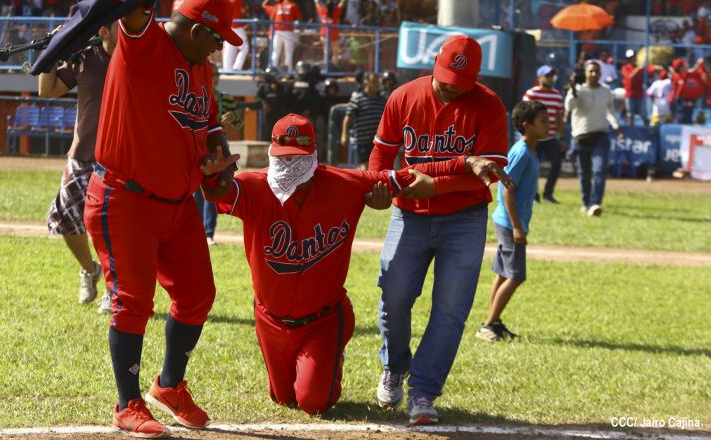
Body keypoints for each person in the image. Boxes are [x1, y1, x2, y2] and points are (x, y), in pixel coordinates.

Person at [206, 113, 510, 415]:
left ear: (313, 155)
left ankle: (329, 359)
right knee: (283, 399)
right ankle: (312, 368)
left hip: (322, 320)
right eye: (283, 158)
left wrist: (463, 162)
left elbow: (410, 172)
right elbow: (218, 192)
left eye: (297, 159)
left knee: (313, 403)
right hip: (269, 320)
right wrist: (210, 174)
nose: (289, 167)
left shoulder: (345, 183)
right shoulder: (254, 187)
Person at [83, 0, 241, 437]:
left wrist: (219, 163)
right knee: (133, 302)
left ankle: (168, 386)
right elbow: (131, 5)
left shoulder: (201, 68)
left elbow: (209, 126)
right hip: (125, 197)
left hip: (178, 202)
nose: (220, 47)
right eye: (217, 38)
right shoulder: (144, 41)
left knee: (198, 295)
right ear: (196, 30)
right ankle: (127, 404)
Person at [370, 35, 509, 425]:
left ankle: (424, 392)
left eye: (460, 82)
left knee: (450, 309)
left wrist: (439, 184)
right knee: (393, 296)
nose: (450, 86)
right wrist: (378, 184)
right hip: (409, 215)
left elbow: (492, 169)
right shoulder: (404, 96)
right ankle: (394, 366)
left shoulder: (489, 105)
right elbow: (383, 150)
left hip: (464, 219)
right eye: (446, 76)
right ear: (434, 63)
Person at [39, 21, 117, 313]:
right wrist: (52, 50)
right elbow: (46, 90)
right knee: (67, 222)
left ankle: (113, 288)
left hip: (117, 159)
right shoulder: (85, 57)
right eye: (119, 26)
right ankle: (89, 269)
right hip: (82, 155)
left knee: (110, 229)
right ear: (104, 32)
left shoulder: (133, 58)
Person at [476, 101, 549, 342]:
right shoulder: (521, 152)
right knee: (515, 275)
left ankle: (493, 322)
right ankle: (487, 326)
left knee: (503, 273)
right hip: (509, 222)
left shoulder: (531, 150)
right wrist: (517, 227)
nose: (549, 125)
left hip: (509, 221)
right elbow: (507, 189)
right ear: (527, 126)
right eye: (543, 121)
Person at [565, 60, 623, 217]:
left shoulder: (605, 90)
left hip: (600, 135)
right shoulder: (578, 89)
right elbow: (569, 107)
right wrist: (573, 90)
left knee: (599, 170)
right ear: (585, 73)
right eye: (591, 71)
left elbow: (609, 110)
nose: (594, 74)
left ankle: (595, 203)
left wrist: (616, 126)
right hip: (580, 137)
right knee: (584, 173)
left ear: (600, 74)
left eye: (597, 71)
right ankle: (586, 202)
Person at [194, 63, 243, 246]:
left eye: (217, 74)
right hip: (198, 149)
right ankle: (197, 230)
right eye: (212, 74)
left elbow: (239, 123)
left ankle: (208, 233)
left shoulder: (224, 99)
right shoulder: (195, 94)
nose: (214, 77)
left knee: (212, 191)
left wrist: (232, 118)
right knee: (196, 193)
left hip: (217, 150)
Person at [522, 65, 564, 203]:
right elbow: (524, 115)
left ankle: (548, 193)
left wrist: (561, 137)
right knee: (533, 167)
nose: (551, 78)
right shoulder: (532, 94)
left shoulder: (557, 95)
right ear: (540, 77)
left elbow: (559, 118)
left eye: (553, 75)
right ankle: (534, 196)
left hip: (551, 138)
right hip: (535, 139)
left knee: (557, 164)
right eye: (548, 75)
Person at [341, 72, 387, 170]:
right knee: (365, 166)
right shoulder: (357, 98)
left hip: (379, 140)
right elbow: (348, 118)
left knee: (378, 166)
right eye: (374, 82)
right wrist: (344, 134)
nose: (377, 84)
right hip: (364, 140)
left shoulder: (383, 100)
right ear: (366, 83)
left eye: (378, 82)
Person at [222, 0, 254, 72]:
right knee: (244, 47)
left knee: (229, 49)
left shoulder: (224, 1)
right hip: (237, 27)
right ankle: (237, 68)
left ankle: (227, 69)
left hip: (227, 28)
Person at [262, 0, 301, 75]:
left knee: (276, 52)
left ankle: (272, 70)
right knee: (288, 53)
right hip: (288, 31)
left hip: (277, 31)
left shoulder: (277, 5)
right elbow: (298, 19)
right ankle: (289, 71)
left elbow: (271, 17)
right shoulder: (293, 5)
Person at [313, 0, 349, 67]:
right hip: (334, 36)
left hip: (324, 35)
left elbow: (316, 1)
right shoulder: (336, 12)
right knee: (335, 53)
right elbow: (342, 2)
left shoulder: (322, 11)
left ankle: (326, 67)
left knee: (326, 53)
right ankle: (334, 68)